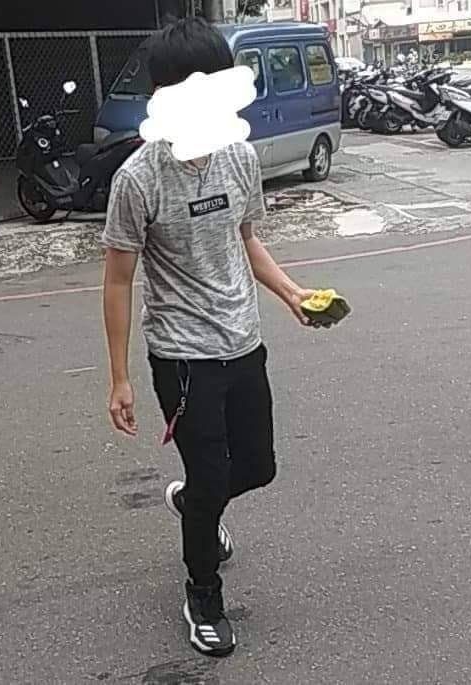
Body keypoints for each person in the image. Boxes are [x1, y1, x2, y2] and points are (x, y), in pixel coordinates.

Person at [102, 17, 319, 657]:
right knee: (209, 477)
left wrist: (291, 293)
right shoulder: (137, 179)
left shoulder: (240, 157)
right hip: (182, 356)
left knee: (257, 467)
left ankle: (197, 500)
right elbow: (118, 280)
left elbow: (246, 239)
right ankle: (203, 593)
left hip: (243, 340)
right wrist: (119, 378)